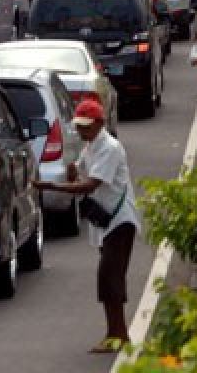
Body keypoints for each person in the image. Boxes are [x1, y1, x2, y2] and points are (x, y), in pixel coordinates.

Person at [32, 100, 140, 354]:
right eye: (80, 128)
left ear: (100, 124)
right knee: (109, 279)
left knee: (110, 278)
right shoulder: (91, 146)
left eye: (86, 127)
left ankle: (119, 335)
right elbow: (79, 176)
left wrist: (52, 187)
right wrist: (72, 172)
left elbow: (89, 185)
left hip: (119, 220)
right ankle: (116, 333)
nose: (82, 132)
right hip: (107, 221)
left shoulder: (109, 148)